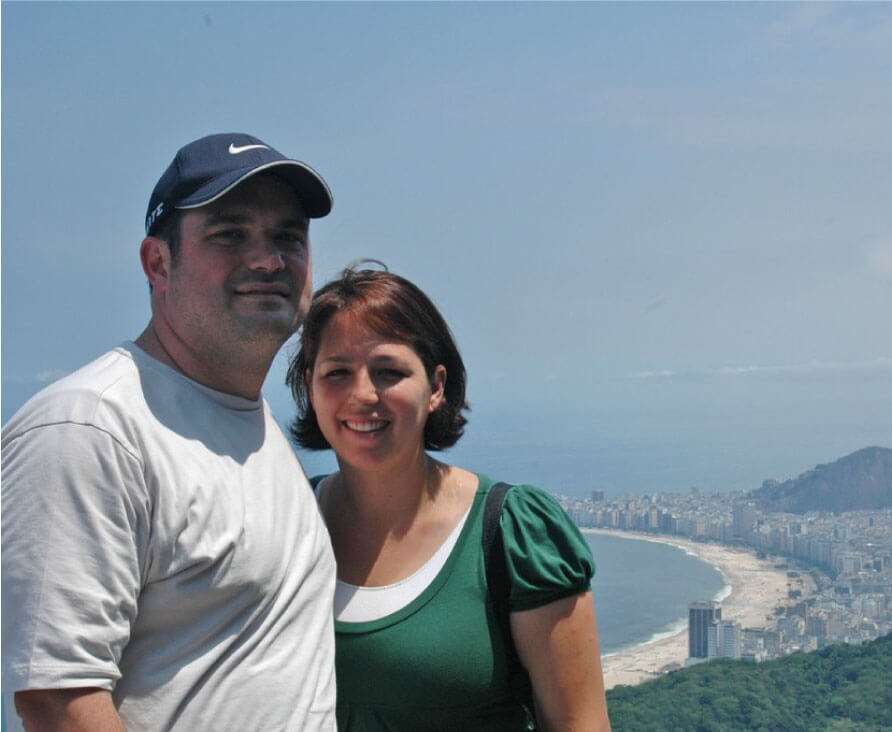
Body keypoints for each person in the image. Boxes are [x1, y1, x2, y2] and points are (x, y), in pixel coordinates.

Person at [2, 133, 339, 731]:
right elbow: (59, 701)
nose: (267, 260)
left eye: (288, 236)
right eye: (229, 234)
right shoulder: (92, 428)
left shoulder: (250, 423)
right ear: (158, 263)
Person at [286, 264, 612, 731]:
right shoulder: (290, 517)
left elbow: (581, 723)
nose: (362, 394)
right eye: (337, 372)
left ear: (436, 387)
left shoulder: (512, 531)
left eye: (388, 371)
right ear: (310, 388)